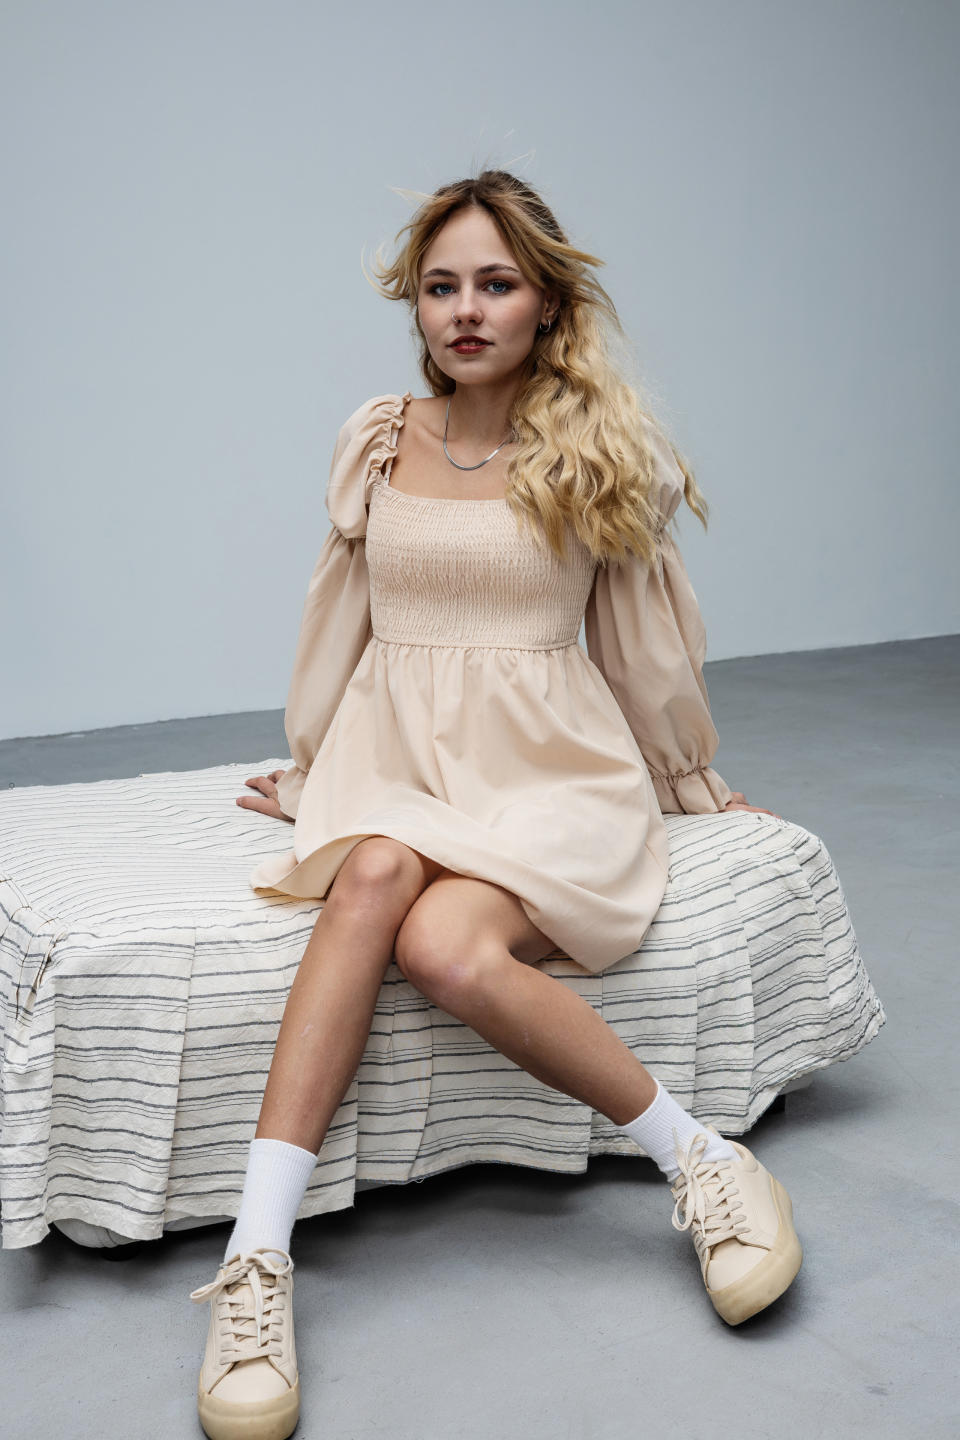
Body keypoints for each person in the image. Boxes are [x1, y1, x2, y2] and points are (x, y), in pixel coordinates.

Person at [188, 170, 802, 1440]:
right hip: (399, 763)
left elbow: (640, 644)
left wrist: (686, 779)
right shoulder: (378, 437)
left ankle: (702, 1162)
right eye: (441, 286)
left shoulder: (595, 451)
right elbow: (342, 617)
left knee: (447, 948)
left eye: (496, 283)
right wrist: (313, 768)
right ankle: (256, 1261)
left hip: (548, 775)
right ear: (416, 307)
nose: (465, 310)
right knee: (369, 875)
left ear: (546, 303)